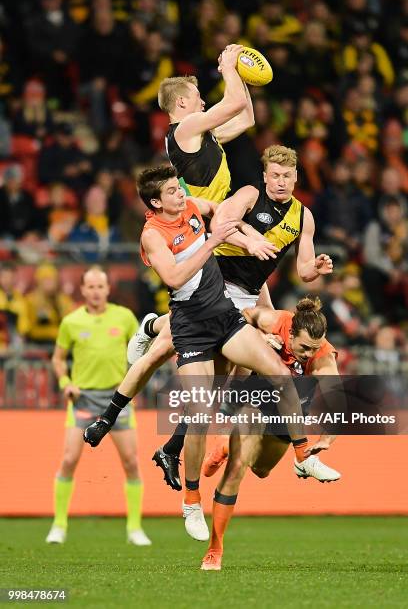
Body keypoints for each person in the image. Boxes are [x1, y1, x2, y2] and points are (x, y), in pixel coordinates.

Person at [85, 166, 337, 543]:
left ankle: (304, 456)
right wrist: (212, 240)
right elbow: (173, 278)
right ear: (156, 202)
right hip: (191, 327)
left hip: (224, 314)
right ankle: (189, 501)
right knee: (196, 409)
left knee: (279, 374)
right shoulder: (153, 235)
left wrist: (249, 237)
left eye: (178, 188)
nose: (180, 194)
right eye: (172, 191)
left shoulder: (189, 206)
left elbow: (223, 213)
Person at [200, 297, 341, 571]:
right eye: (304, 347)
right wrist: (259, 338)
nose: (309, 354)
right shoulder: (274, 321)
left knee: (262, 470)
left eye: (315, 348)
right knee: (238, 467)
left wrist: (326, 439)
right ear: (290, 334)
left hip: (289, 411)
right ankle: (214, 550)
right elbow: (240, 318)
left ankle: (225, 447)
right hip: (256, 392)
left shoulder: (323, 357)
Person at [46, 266, 151, 546]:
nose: (95, 291)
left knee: (130, 462)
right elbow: (58, 359)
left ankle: (134, 528)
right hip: (83, 399)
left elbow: (143, 353)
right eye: (90, 287)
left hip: (117, 399)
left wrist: (135, 384)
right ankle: (59, 525)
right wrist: (65, 382)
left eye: (100, 286)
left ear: (108, 289)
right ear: (82, 290)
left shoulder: (125, 317)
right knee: (69, 460)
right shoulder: (71, 322)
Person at [159, 43, 255, 203]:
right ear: (181, 101)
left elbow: (246, 119)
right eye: (197, 96)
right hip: (206, 218)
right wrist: (227, 67)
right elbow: (237, 102)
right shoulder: (185, 127)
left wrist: (238, 74)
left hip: (214, 214)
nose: (203, 102)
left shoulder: (195, 135)